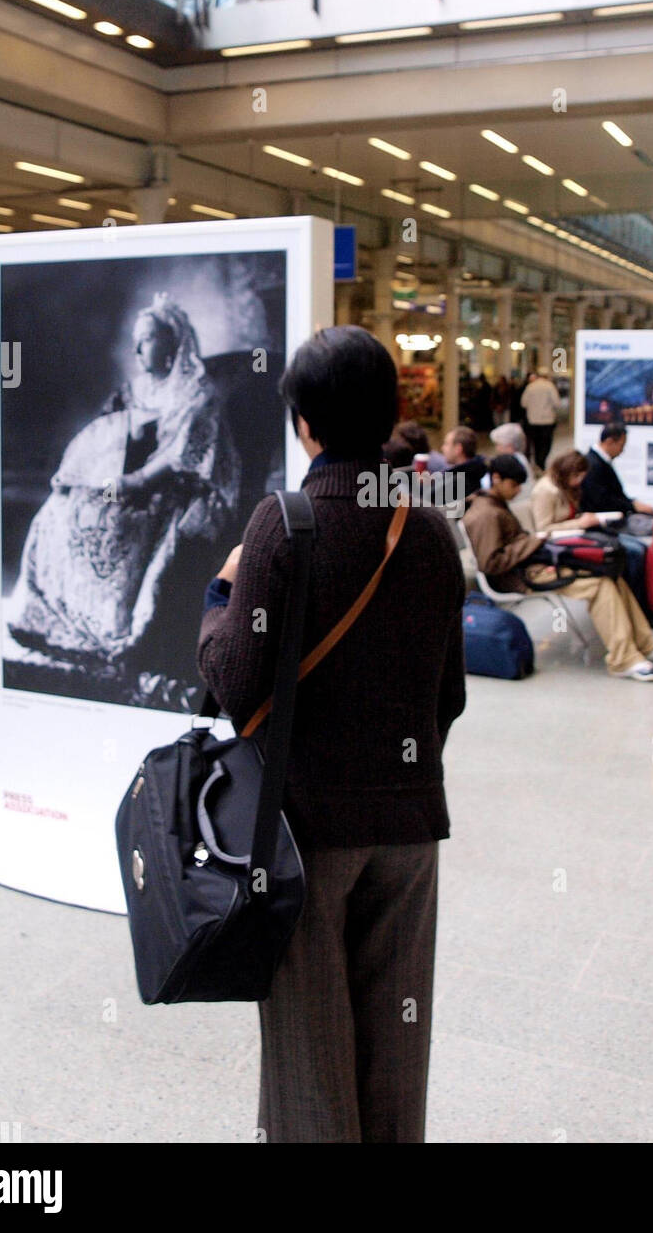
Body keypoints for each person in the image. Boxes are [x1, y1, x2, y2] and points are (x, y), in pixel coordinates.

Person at [198, 325, 466, 1143]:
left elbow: (231, 681)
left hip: (305, 833)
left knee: (309, 1052)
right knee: (395, 1043)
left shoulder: (285, 524)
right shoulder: (425, 529)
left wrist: (219, 594)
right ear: (389, 411)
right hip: (410, 829)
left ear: (303, 424)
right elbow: (447, 696)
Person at [5, 293, 240, 694]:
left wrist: (138, 482)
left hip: (180, 491)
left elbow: (186, 457)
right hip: (129, 482)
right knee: (63, 509)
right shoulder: (134, 390)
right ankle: (57, 620)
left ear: (173, 341)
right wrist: (78, 474)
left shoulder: (196, 393)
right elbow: (100, 437)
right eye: (135, 339)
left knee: (119, 522)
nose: (137, 349)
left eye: (146, 339)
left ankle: (110, 634)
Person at [463, 454, 653, 682]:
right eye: (513, 485)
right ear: (496, 479)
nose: (518, 491)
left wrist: (532, 544)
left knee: (611, 576)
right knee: (600, 585)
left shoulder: (494, 505)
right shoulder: (484, 514)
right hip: (522, 575)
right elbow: (490, 563)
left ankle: (643, 645)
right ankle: (623, 659)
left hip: (533, 564)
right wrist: (533, 542)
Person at [532, 447, 650, 614]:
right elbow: (543, 528)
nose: (579, 481)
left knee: (635, 549)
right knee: (628, 552)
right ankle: (635, 607)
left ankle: (637, 606)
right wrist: (579, 523)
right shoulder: (545, 491)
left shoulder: (566, 487)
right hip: (562, 541)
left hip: (579, 533)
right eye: (577, 477)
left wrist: (583, 520)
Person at [519, 367, 561, 471]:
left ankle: (538, 461)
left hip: (533, 421)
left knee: (535, 443)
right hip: (547, 421)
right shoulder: (550, 386)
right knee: (545, 443)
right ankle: (541, 462)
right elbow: (557, 403)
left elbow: (523, 403)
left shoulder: (530, 387)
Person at [480, 422, 533, 496]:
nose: (497, 448)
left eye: (498, 444)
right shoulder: (519, 459)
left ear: (509, 445)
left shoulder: (512, 463)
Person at [441, 425, 488, 496]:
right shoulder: (480, 470)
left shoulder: (456, 483)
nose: (442, 448)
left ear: (458, 449)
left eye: (446, 444)